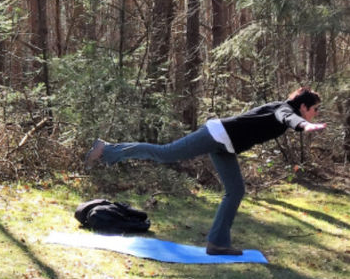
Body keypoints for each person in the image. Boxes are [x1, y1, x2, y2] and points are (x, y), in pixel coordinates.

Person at [84, 87, 326, 255]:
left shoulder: (280, 107)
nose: (315, 113)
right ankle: (108, 149)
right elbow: (289, 119)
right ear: (303, 107)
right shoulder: (284, 110)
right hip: (217, 135)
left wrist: (304, 123)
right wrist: (306, 125)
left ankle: (218, 244)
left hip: (226, 144)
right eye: (314, 109)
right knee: (165, 153)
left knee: (236, 190)